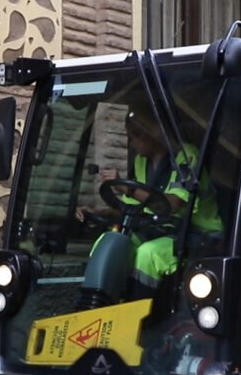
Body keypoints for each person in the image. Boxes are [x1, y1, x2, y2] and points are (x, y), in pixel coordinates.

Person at [76, 105, 222, 297]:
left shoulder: (187, 156)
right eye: (129, 136)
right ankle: (98, 304)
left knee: (148, 254)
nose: (131, 142)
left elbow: (172, 204)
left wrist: (128, 188)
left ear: (158, 131)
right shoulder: (141, 162)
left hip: (198, 235)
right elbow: (135, 208)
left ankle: (143, 315)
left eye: (136, 135)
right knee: (109, 241)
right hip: (162, 229)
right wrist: (101, 213)